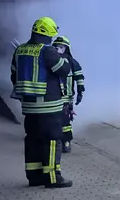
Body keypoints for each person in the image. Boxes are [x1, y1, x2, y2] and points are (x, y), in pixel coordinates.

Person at [10, 17, 73, 189]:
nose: (52, 40)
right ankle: (53, 177)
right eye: (51, 37)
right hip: (49, 106)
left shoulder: (20, 50)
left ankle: (34, 176)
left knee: (33, 140)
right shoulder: (48, 52)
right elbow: (64, 70)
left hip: (29, 107)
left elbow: (13, 75)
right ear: (46, 35)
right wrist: (62, 56)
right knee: (52, 140)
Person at [51, 35, 86, 153]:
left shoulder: (72, 62)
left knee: (65, 122)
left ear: (67, 49)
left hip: (67, 99)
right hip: (52, 98)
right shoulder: (50, 61)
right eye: (55, 47)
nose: (58, 49)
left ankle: (66, 142)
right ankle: (54, 141)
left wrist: (81, 90)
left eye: (61, 47)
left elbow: (79, 76)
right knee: (52, 120)